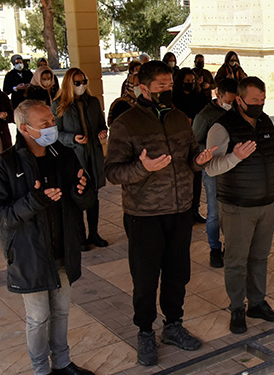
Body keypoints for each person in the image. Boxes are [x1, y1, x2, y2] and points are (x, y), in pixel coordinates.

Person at [104, 60, 215, 366]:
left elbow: (190, 159)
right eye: (161, 86)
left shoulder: (180, 118)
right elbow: (112, 172)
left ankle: (173, 326)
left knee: (178, 273)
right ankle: (144, 332)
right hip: (145, 215)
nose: (168, 90)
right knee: (145, 277)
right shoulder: (126, 123)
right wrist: (143, 168)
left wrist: (200, 159)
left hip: (180, 211)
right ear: (143, 87)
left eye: (170, 85)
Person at [0, 100, 96, 375]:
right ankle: (40, 370)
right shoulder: (4, 165)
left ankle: (62, 362)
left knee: (61, 312)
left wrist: (82, 191)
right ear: (24, 128)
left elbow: (84, 199)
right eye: (43, 123)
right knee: (38, 318)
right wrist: (32, 202)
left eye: (52, 121)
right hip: (29, 255)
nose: (51, 127)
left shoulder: (65, 155)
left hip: (63, 249)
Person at [205, 77, 274, 334]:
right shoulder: (221, 127)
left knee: (260, 258)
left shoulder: (265, 124)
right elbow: (211, 168)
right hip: (237, 206)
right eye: (253, 101)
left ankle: (257, 303)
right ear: (239, 100)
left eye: (262, 101)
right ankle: (237, 308)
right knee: (236, 260)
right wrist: (234, 157)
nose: (259, 105)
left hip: (265, 204)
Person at [53, 68, 109, 251]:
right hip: (73, 158)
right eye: (77, 83)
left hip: (93, 154)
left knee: (93, 196)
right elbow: (55, 134)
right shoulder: (59, 105)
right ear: (69, 84)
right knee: (76, 196)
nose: (81, 86)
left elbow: (102, 123)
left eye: (84, 82)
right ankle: (80, 237)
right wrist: (72, 139)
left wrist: (102, 131)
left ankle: (94, 233)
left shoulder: (92, 102)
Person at [192, 78, 239, 268]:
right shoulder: (205, 116)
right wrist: (213, 147)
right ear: (218, 96)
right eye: (229, 101)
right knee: (214, 212)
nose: (232, 105)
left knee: (233, 211)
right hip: (213, 169)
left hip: (234, 167)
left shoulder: (238, 111)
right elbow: (194, 143)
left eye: (235, 101)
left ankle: (230, 246)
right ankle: (214, 248)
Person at [173, 69, 208, 225]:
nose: (190, 84)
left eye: (192, 81)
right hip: (178, 143)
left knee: (196, 178)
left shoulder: (199, 97)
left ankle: (195, 209)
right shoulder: (174, 98)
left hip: (195, 141)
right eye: (187, 81)